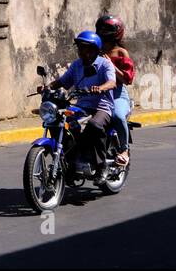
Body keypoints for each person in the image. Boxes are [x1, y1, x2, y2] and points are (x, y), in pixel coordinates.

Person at [37, 30, 118, 176]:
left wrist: (100, 88)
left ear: (94, 49)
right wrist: (47, 87)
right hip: (82, 105)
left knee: (95, 125)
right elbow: (62, 82)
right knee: (61, 121)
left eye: (84, 47)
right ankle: (72, 159)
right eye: (79, 47)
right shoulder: (77, 65)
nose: (81, 50)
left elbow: (112, 83)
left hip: (102, 107)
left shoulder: (105, 64)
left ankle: (101, 165)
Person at [96, 14, 135, 166]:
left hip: (117, 94)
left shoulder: (120, 53)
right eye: (101, 30)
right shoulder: (94, 50)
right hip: (97, 93)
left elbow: (127, 79)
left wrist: (110, 65)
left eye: (107, 31)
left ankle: (124, 150)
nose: (103, 34)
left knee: (118, 116)